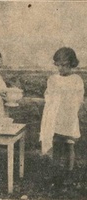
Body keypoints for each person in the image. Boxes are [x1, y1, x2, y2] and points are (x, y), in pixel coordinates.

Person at [40, 47, 84, 185]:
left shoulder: (76, 79)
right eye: (58, 65)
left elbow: (78, 98)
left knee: (69, 145)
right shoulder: (53, 79)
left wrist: (71, 109)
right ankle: (56, 173)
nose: (61, 68)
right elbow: (48, 96)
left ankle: (69, 174)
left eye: (64, 65)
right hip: (56, 117)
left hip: (69, 117)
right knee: (56, 145)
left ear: (71, 64)